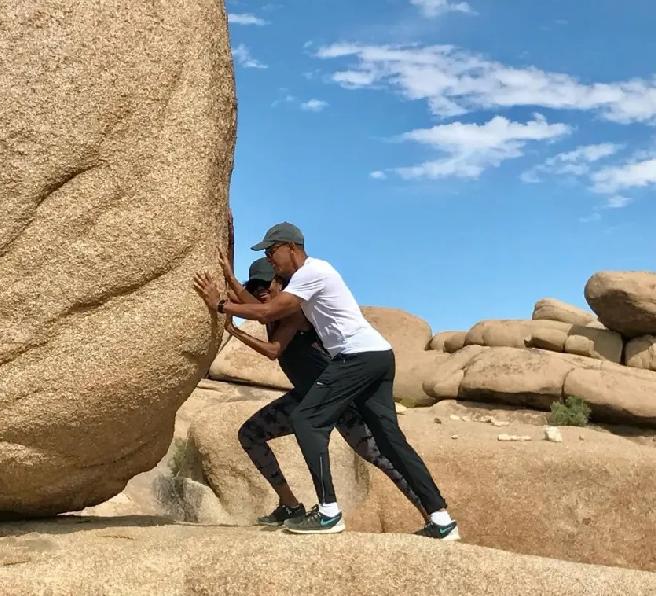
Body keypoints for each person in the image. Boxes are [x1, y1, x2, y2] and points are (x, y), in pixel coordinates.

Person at [194, 223, 458, 539]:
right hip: (375, 356)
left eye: (271, 251)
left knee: (309, 422)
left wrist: (220, 306)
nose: (270, 258)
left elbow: (266, 314)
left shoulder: (309, 275)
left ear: (290, 247)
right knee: (390, 444)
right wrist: (230, 276)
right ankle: (441, 519)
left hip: (355, 363)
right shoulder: (304, 281)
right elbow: (260, 303)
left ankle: (328, 513)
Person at [219, 254, 428, 529]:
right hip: (307, 396)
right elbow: (251, 302)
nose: (261, 292)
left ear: (281, 284)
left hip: (336, 397)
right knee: (250, 434)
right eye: (256, 288)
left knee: (379, 456)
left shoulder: (295, 311)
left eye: (266, 286)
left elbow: (273, 351)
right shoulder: (268, 309)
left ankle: (432, 515)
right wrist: (229, 274)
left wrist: (233, 328)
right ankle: (290, 506)